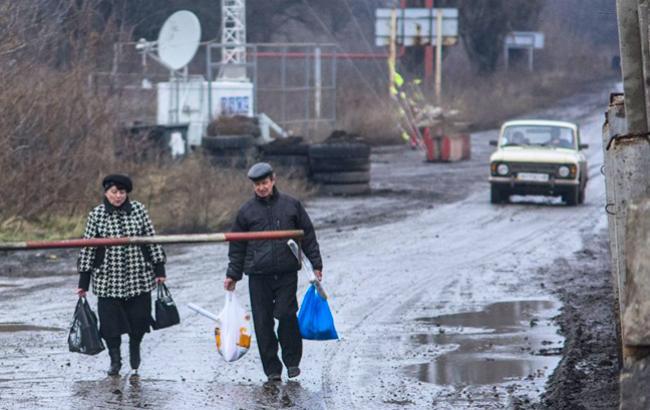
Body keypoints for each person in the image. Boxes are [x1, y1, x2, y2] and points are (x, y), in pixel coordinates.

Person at [224, 162, 322, 382]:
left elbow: (308, 235)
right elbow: (237, 247)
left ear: (273, 180)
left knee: (286, 315)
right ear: (254, 186)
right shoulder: (246, 212)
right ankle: (272, 369)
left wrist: (316, 265)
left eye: (265, 183)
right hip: (258, 276)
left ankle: (292, 362)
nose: (262, 188)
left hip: (286, 273)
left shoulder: (291, 205)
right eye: (257, 184)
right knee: (263, 322)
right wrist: (233, 274)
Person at [76, 174, 167, 376]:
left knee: (139, 320)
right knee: (110, 324)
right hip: (108, 278)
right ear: (106, 193)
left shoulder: (139, 210)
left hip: (138, 276)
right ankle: (115, 360)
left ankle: (135, 348)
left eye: (122, 192)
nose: (118, 196)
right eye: (114, 192)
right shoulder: (97, 214)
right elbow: (88, 248)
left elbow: (151, 239)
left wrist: (159, 269)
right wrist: (84, 281)